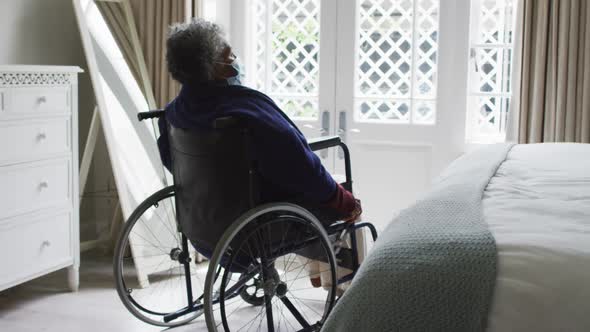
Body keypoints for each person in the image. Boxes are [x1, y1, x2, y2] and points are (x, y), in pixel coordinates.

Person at [158, 19, 362, 231]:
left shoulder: (173, 113)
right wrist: (343, 199)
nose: (236, 61)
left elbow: (172, 161)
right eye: (230, 56)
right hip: (256, 224)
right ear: (218, 68)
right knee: (333, 193)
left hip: (203, 221)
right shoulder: (247, 110)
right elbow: (298, 163)